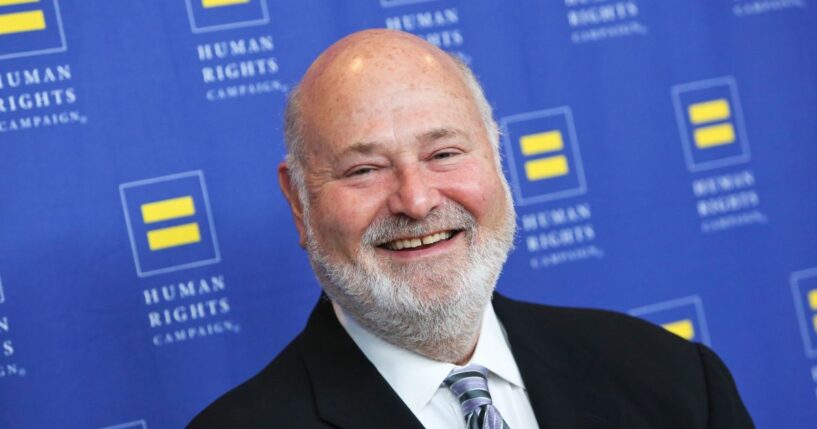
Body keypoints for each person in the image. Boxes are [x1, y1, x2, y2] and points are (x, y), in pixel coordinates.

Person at [189, 29, 754, 428]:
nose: (415, 200)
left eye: (444, 153)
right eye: (364, 170)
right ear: (298, 202)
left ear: (497, 159)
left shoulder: (674, 379)